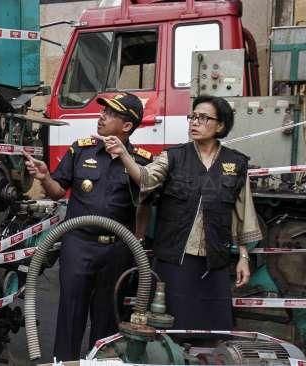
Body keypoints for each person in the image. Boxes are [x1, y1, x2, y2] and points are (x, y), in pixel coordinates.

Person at [104, 95, 262, 330]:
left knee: (210, 331)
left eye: (203, 118)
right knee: (168, 326)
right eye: (193, 116)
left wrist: (243, 257)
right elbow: (146, 178)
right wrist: (124, 155)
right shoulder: (174, 156)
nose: (194, 122)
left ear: (220, 126)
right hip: (174, 258)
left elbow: (243, 213)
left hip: (213, 262)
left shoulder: (235, 163)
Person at [24, 93, 153, 361]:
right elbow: (58, 192)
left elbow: (146, 201)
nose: (101, 116)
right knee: (71, 313)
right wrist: (45, 177)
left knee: (107, 319)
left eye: (110, 114)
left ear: (127, 126)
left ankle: (100, 362)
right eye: (102, 111)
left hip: (117, 249)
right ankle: (65, 362)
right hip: (78, 244)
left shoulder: (141, 161)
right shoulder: (80, 149)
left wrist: (138, 241)